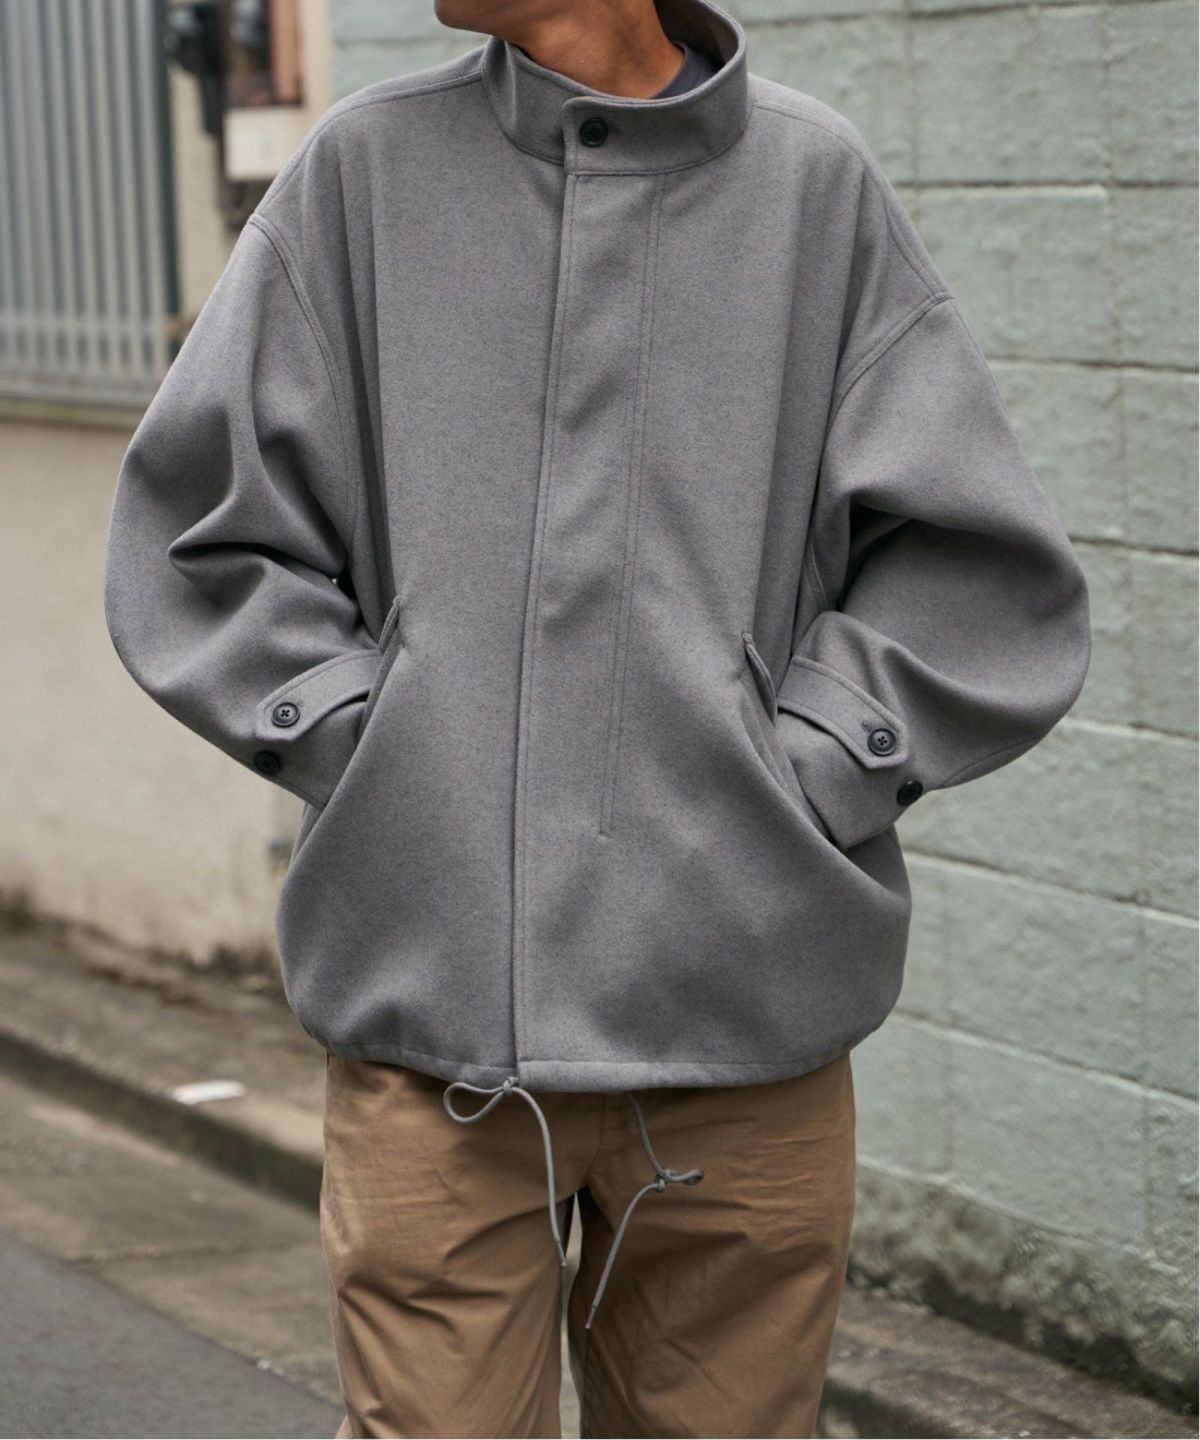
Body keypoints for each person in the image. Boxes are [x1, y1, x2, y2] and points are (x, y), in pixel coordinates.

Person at [102, 0, 1092, 1433]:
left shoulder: (812, 188)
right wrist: (381, 749)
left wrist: (806, 768)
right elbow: (200, 533)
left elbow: (978, 578)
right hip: (436, 1034)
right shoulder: (363, 174)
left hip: (742, 1039)